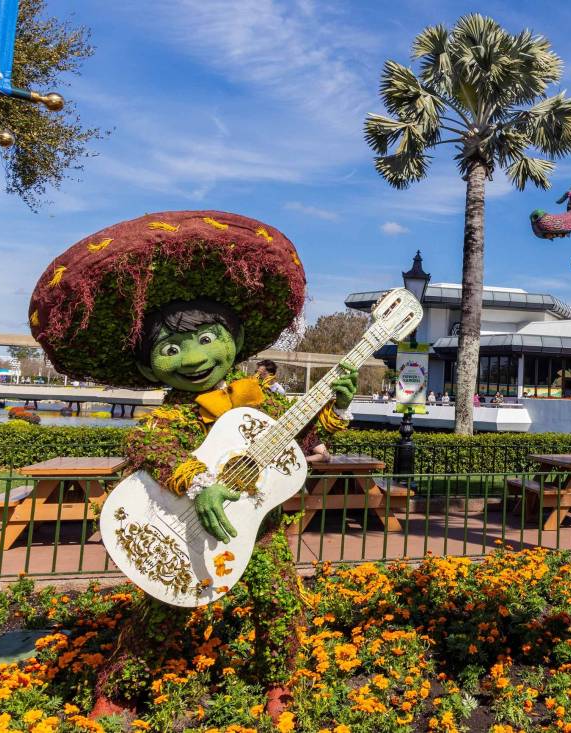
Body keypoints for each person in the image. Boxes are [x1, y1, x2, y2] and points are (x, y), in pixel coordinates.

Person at [28, 211, 357, 720]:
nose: (191, 358)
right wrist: (201, 483)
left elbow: (299, 442)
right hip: (182, 534)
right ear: (146, 366)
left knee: (279, 606)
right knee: (162, 611)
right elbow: (152, 451)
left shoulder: (260, 402)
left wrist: (334, 406)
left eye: (207, 339)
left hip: (258, 532)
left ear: (236, 339)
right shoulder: (169, 416)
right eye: (171, 348)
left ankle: (279, 685)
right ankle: (118, 689)